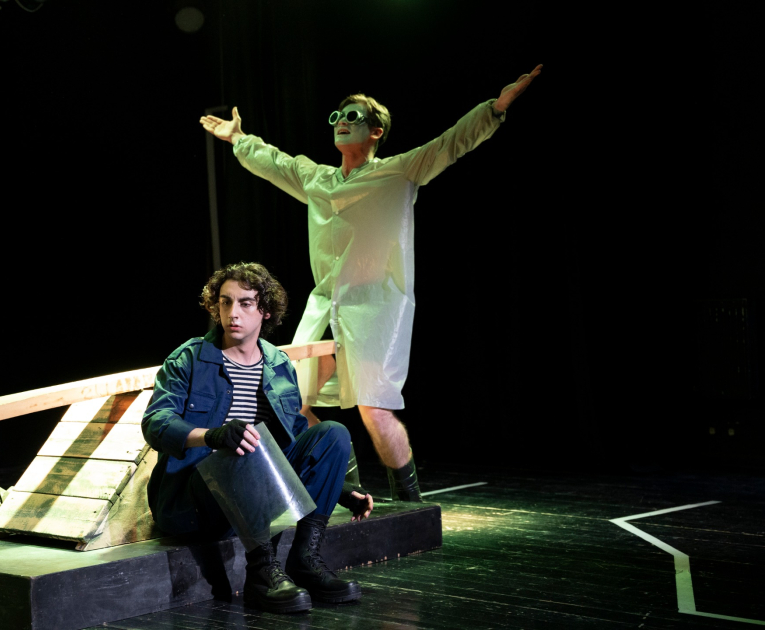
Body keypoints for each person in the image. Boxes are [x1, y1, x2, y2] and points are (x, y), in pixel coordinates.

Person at [199, 66, 543, 501]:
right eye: (338, 116)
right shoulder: (318, 178)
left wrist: (494, 109)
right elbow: (276, 162)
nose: (341, 121)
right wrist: (238, 138)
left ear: (376, 131)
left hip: (377, 308)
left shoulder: (399, 172)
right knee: (291, 401)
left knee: (373, 408)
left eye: (353, 116)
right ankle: (347, 489)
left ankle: (409, 499)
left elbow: (450, 143)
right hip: (325, 305)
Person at [142, 262, 374, 614]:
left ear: (265, 310)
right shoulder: (189, 358)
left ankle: (305, 561)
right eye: (225, 302)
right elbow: (156, 422)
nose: (232, 313)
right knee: (247, 440)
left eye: (245, 303)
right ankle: (262, 573)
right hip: (197, 499)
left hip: (259, 491)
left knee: (333, 434)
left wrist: (338, 489)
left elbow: (294, 438)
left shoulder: (278, 364)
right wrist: (212, 437)